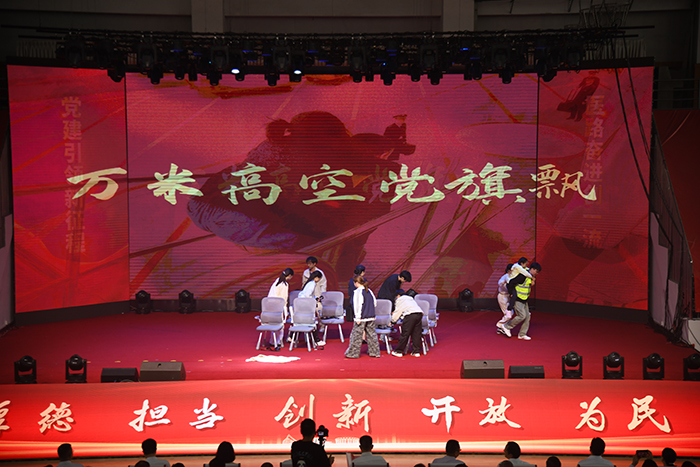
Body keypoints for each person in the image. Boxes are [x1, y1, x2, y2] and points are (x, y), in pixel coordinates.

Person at [498, 263, 541, 340]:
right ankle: (506, 326)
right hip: (517, 299)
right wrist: (511, 293)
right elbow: (510, 282)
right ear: (532, 269)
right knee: (522, 316)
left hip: (524, 299)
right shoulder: (522, 275)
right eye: (536, 271)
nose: (536, 273)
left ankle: (522, 334)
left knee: (527, 316)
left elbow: (530, 284)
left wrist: (533, 280)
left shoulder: (530, 275)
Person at [345, 275, 381, 359]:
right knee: (372, 335)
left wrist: (357, 317)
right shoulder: (369, 290)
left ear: (356, 283)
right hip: (371, 316)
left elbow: (358, 305)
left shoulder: (357, 292)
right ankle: (375, 352)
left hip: (361, 317)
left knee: (356, 336)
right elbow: (374, 303)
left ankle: (353, 353)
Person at [390, 289, 424, 357]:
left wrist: (392, 321)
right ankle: (416, 351)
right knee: (416, 333)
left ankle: (398, 351)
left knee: (405, 333)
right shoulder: (410, 299)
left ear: (398, 295)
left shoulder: (400, 300)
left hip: (410, 315)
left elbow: (398, 311)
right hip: (419, 314)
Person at [268, 268, 294, 349]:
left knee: (274, 324)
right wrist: (285, 309)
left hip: (270, 306)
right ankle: (278, 341)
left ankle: (272, 341)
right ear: (289, 275)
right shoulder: (284, 285)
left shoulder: (277, 281)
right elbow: (283, 298)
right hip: (279, 306)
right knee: (280, 325)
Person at [299, 270, 326, 346]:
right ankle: (317, 340)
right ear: (316, 278)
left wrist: (315, 298)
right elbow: (307, 296)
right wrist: (313, 302)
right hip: (306, 305)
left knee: (301, 322)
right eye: (319, 279)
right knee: (313, 322)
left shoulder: (309, 283)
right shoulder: (312, 284)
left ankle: (292, 337)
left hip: (302, 305)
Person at [496, 263, 513, 333]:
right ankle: (500, 325)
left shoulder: (513, 277)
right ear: (509, 270)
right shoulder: (505, 276)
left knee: (511, 312)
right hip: (502, 296)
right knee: (508, 314)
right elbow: (500, 283)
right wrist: (504, 282)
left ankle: (502, 327)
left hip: (508, 296)